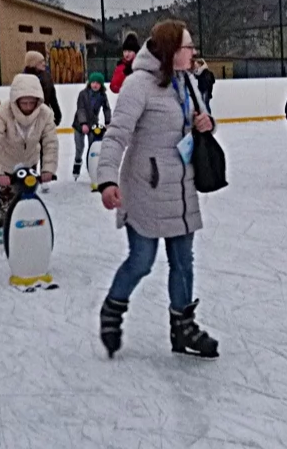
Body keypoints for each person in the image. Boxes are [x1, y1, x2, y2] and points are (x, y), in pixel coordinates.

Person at [95, 19, 219, 359]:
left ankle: (182, 327)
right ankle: (113, 309)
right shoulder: (138, 85)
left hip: (181, 186)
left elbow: (200, 118)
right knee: (141, 260)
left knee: (184, 262)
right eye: (187, 47)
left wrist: (206, 122)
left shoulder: (187, 81)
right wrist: (106, 180)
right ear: (170, 51)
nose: (192, 52)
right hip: (146, 186)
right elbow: (117, 134)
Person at [0, 74, 59, 242]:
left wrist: (48, 169)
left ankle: (25, 225)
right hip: (7, 162)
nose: (28, 107)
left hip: (30, 161)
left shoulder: (45, 114)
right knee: (7, 197)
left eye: (32, 102)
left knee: (27, 196)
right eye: (24, 103)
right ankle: (0, 226)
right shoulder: (3, 112)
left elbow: (50, 143)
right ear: (15, 100)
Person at [72, 72, 112, 179]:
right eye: (93, 82)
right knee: (79, 148)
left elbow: (106, 109)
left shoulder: (102, 95)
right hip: (79, 125)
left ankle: (92, 169)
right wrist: (83, 123)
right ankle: (77, 164)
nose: (95, 85)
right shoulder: (83, 94)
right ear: (89, 83)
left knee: (92, 148)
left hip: (93, 126)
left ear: (101, 85)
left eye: (98, 83)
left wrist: (108, 122)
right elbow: (81, 109)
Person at [22, 51, 62, 126]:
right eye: (40, 62)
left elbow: (52, 97)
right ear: (33, 63)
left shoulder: (47, 77)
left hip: (44, 116)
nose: (44, 64)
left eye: (44, 61)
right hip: (29, 119)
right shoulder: (23, 79)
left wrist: (57, 114)